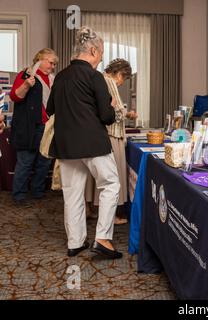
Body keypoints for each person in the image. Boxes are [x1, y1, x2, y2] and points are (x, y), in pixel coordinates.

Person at [46, 26, 122, 259]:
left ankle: (76, 241)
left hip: (67, 144)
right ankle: (102, 238)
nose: (101, 59)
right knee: (110, 185)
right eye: (100, 53)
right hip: (92, 142)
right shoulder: (94, 76)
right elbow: (106, 116)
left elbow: (50, 110)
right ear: (91, 50)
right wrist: (111, 107)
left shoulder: (60, 76)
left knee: (73, 193)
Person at [85, 58, 138, 225]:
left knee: (96, 177)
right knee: (112, 178)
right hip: (112, 134)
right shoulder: (110, 82)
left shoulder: (99, 79)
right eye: (124, 78)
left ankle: (91, 208)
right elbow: (114, 112)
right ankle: (111, 216)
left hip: (98, 133)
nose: (122, 83)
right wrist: (127, 114)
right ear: (120, 74)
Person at [9, 48, 59, 206]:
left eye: (54, 64)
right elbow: (15, 97)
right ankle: (19, 195)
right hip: (29, 127)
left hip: (47, 126)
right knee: (26, 161)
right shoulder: (27, 73)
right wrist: (25, 84)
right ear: (41, 59)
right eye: (51, 63)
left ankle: (37, 191)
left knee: (44, 161)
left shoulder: (53, 79)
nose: (53, 66)